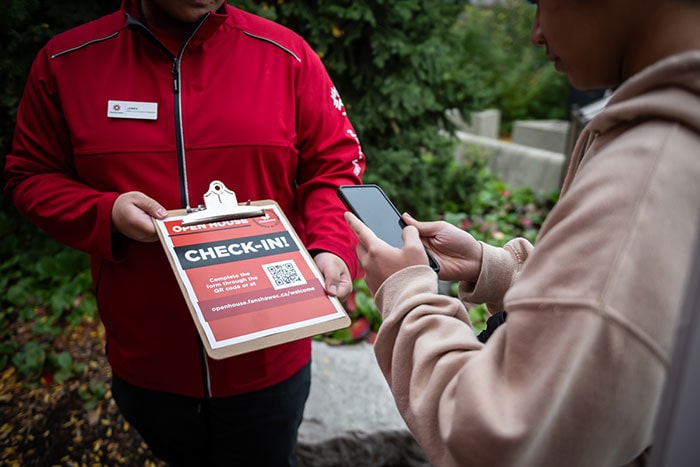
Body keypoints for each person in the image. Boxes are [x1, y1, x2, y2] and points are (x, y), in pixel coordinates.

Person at [4, 0, 364, 465]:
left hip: (269, 358)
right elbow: (29, 176)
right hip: (149, 360)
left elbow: (333, 165)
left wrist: (331, 246)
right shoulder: (66, 62)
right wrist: (105, 211)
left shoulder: (285, 55)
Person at [345, 0, 700, 465]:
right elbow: (620, 305)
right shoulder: (666, 143)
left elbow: (493, 439)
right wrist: (494, 268)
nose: (535, 32)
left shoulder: (647, 174)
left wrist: (407, 292)